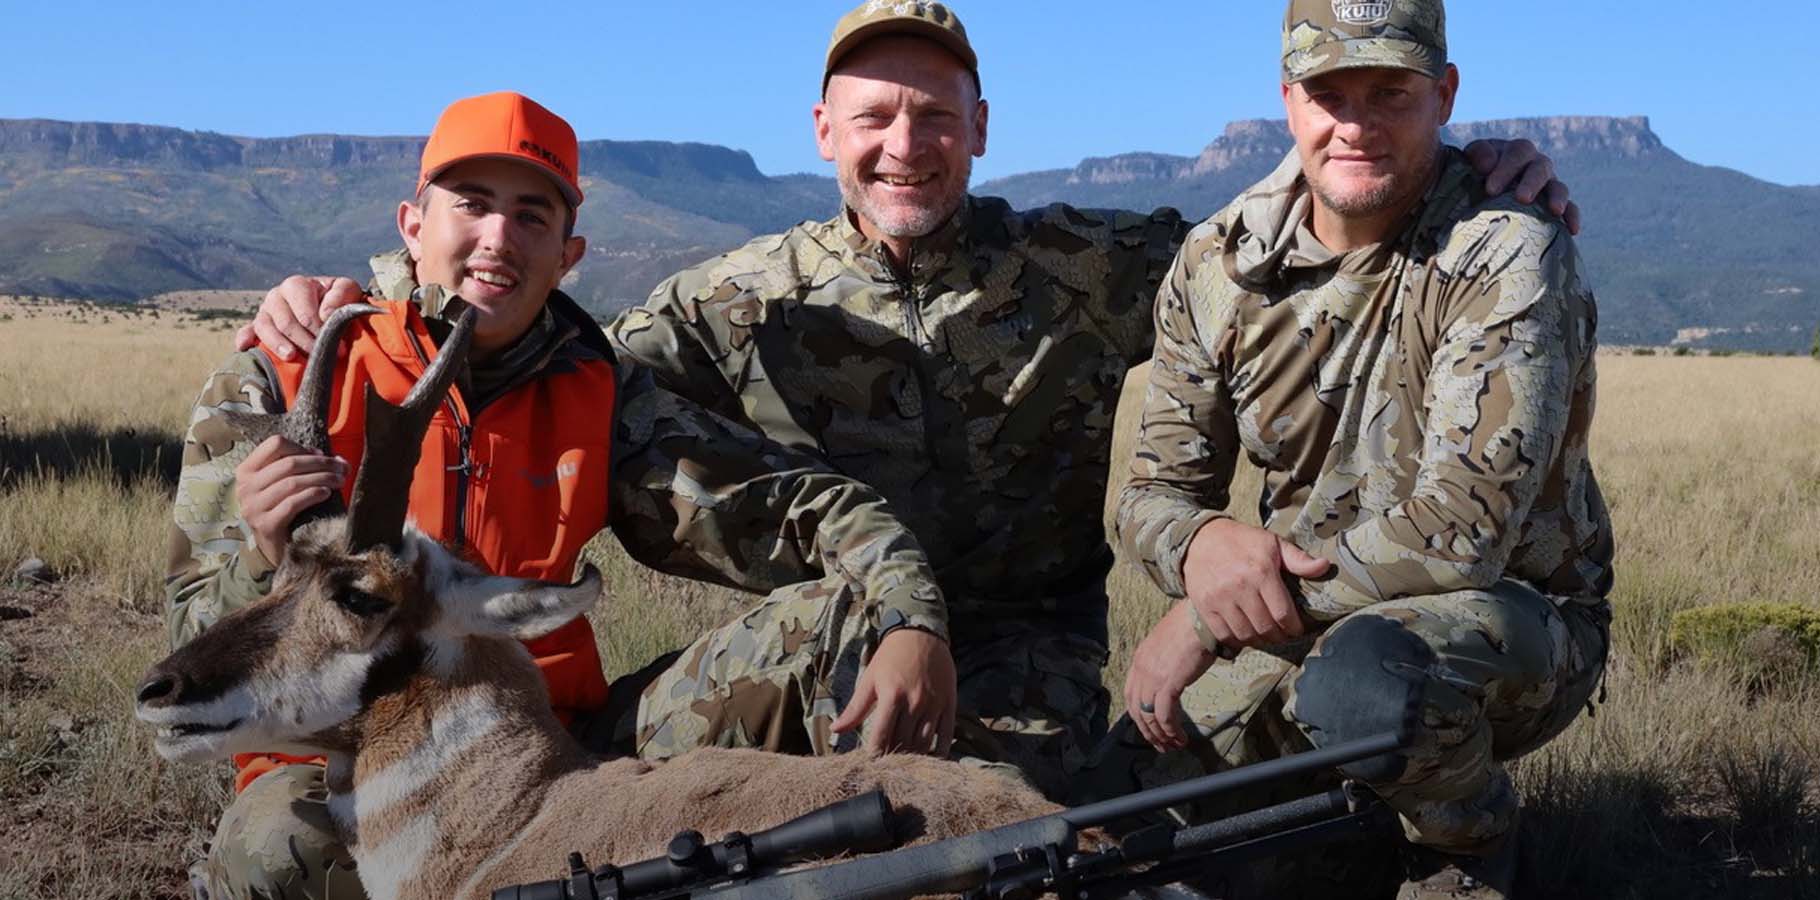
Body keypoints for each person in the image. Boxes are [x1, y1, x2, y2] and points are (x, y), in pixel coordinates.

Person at [241, 2, 1577, 803]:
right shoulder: (737, 299)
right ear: (822, 130)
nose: (906, 146)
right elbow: (531, 323)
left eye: (935, 116)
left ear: (982, 128)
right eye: (874, 117)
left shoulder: (1100, 265)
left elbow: (1310, 223)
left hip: (1024, 649)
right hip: (832, 637)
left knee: (1019, 826)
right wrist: (363, 287)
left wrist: (1470, 176)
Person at [166, 90, 938, 900]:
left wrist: (910, 616)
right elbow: (188, 634)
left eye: (532, 215)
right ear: (411, 223)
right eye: (472, 204)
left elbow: (804, 509)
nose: (499, 237)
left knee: (838, 622)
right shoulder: (283, 375)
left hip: (549, 753)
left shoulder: (600, 394)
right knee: (280, 853)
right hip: (330, 751)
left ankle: (916, 849)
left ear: (569, 254)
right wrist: (261, 552)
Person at [1099, 1, 1613, 897]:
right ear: (1288, 99)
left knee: (1367, 688)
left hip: (1508, 618)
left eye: (1391, 94)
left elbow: (1463, 532)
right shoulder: (1216, 264)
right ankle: (1343, 831)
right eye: (1329, 93)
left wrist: (1210, 615)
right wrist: (1199, 547)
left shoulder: (1503, 246)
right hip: (1302, 625)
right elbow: (1151, 495)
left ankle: (1468, 841)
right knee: (1115, 811)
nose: (1357, 124)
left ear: (1444, 95)